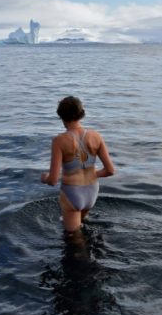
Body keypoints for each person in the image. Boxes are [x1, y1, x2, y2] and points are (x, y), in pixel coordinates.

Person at [41, 96, 115, 232]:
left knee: (74, 238)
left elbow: (52, 180)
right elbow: (110, 170)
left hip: (72, 193)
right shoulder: (96, 136)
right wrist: (93, 174)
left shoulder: (59, 140)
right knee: (82, 228)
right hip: (92, 191)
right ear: (81, 113)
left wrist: (44, 177)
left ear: (61, 116)